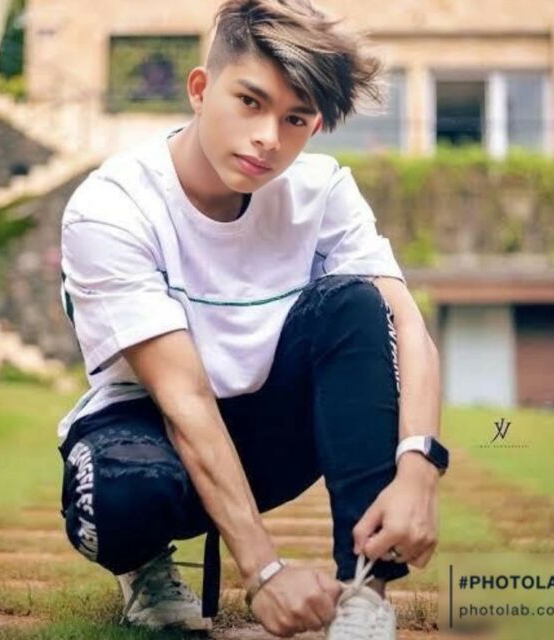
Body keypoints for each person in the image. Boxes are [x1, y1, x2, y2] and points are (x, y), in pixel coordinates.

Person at [57, 0, 450, 638]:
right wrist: (263, 571)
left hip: (269, 430)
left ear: (315, 125)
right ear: (200, 89)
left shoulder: (322, 190)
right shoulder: (111, 207)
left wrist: (419, 467)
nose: (269, 136)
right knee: (123, 492)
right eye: (249, 101)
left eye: (295, 118)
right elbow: (184, 398)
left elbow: (408, 329)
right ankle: (145, 566)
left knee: (358, 302)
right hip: (152, 431)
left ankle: (365, 590)